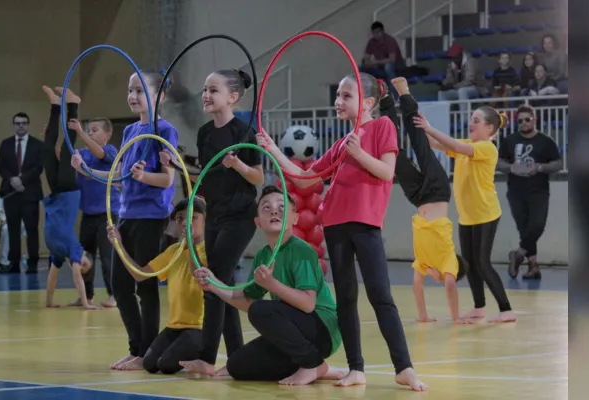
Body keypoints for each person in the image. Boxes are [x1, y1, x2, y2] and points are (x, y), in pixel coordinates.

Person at [257, 72, 426, 391]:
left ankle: (404, 367)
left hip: (365, 224)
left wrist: (360, 153)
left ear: (369, 103)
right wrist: (272, 150)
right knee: (346, 298)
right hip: (334, 224)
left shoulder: (381, 127)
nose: (338, 101)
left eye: (346, 96)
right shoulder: (339, 145)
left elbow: (388, 172)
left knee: (381, 295)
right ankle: (356, 368)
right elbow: (308, 179)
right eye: (338, 95)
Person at [71, 70, 178, 370]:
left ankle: (146, 352)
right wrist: (87, 171)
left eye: (139, 91)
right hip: (125, 216)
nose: (132, 97)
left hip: (151, 217)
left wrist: (145, 176)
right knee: (120, 286)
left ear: (159, 96)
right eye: (130, 91)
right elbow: (120, 178)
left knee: (144, 286)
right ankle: (136, 348)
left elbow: (168, 179)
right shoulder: (130, 132)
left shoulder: (166, 131)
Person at [192, 186, 343, 386]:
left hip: (322, 328)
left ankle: (312, 364)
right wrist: (215, 286)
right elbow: (248, 301)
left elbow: (308, 304)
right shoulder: (263, 255)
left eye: (282, 207)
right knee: (236, 365)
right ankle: (319, 369)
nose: (274, 211)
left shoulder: (301, 250)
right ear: (258, 223)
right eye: (266, 208)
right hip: (296, 330)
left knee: (260, 309)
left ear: (295, 219)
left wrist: (272, 284)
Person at [179, 69, 264, 376]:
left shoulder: (244, 132)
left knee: (212, 280)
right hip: (215, 214)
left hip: (240, 217)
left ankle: (207, 357)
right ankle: (238, 358)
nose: (205, 95)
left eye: (213, 90)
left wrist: (238, 163)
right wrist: (179, 167)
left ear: (233, 97)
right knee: (221, 284)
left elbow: (258, 177)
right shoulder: (204, 133)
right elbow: (206, 178)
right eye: (204, 89)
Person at [413, 105, 517, 324]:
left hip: (486, 214)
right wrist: (416, 130)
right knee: (469, 263)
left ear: (489, 128)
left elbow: (455, 146)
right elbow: (436, 144)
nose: (471, 122)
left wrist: (430, 128)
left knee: (483, 262)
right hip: (467, 216)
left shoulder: (488, 148)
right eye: (471, 118)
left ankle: (506, 309)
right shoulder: (468, 144)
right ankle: (479, 307)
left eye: (477, 120)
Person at [384, 78, 470, 324]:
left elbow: (416, 285)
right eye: (443, 278)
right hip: (438, 190)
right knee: (421, 143)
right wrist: (455, 317)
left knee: (394, 155)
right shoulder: (448, 262)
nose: (439, 280)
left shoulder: (423, 262)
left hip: (418, 199)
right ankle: (405, 94)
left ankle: (387, 103)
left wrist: (423, 315)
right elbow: (451, 284)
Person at [107, 197, 208, 375]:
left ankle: (200, 351)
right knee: (150, 364)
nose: (185, 222)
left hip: (199, 327)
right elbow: (140, 275)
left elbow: (197, 272)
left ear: (206, 220)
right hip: (174, 327)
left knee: (166, 365)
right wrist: (119, 245)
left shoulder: (209, 250)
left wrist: (190, 242)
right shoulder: (173, 251)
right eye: (180, 218)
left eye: (192, 218)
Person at [38, 86, 95, 309]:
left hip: (55, 194)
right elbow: (78, 278)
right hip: (69, 192)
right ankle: (73, 104)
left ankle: (55, 106)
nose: (80, 265)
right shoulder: (74, 249)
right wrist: (86, 303)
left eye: (81, 267)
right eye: (85, 264)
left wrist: (49, 302)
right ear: (86, 256)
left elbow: (52, 277)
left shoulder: (58, 254)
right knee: (66, 147)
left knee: (46, 148)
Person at [497, 104, 563, 279]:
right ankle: (533, 266)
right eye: (520, 121)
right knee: (524, 229)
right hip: (516, 192)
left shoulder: (546, 141)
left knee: (537, 225)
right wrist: (512, 168)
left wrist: (540, 167)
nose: (524, 123)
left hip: (539, 191)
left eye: (527, 119)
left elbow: (558, 164)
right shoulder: (509, 140)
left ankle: (517, 255)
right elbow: (499, 163)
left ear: (534, 120)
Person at [66, 117, 118, 308]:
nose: (89, 133)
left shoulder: (110, 151)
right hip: (88, 214)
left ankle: (114, 294)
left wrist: (79, 133)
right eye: (87, 130)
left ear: (107, 134)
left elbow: (101, 153)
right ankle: (86, 295)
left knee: (107, 257)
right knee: (85, 257)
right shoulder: (83, 154)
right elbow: (63, 154)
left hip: (108, 213)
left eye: (94, 130)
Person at [0, 111, 43, 274]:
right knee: (13, 230)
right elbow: (1, 166)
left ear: (28, 125)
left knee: (31, 229)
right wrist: (12, 180)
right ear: (14, 125)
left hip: (30, 193)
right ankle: (14, 262)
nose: (21, 125)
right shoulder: (6, 144)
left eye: (24, 123)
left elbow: (38, 167)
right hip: (11, 193)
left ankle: (32, 263)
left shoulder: (37, 145)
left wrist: (22, 180)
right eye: (18, 123)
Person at [359, 21, 405, 96]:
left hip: (397, 66)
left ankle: (394, 96)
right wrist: (366, 62)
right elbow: (366, 56)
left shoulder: (389, 40)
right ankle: (366, 96)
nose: (376, 35)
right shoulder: (371, 42)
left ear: (382, 31)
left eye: (378, 32)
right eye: (374, 33)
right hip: (380, 67)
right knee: (361, 68)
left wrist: (375, 62)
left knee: (388, 67)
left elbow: (392, 59)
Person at [438, 43, 488, 111]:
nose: (454, 59)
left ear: (460, 55)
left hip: (477, 88)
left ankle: (463, 119)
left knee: (462, 91)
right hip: (458, 88)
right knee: (442, 93)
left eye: (455, 57)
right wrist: (445, 85)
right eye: (452, 57)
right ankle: (443, 118)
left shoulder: (471, 62)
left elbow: (469, 81)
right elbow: (449, 78)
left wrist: (453, 86)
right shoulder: (451, 64)